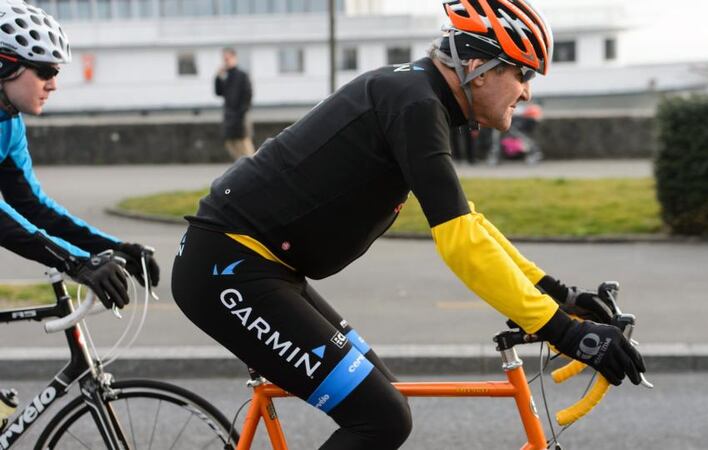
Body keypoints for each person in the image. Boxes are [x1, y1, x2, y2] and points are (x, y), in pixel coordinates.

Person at [172, 1, 645, 449]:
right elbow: (460, 244)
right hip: (228, 268)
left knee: (388, 399)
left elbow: (469, 222)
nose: (527, 91)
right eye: (521, 73)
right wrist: (563, 331)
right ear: (479, 69)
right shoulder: (416, 104)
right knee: (380, 417)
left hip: (265, 267)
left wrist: (560, 296)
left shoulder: (420, 98)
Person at [0, 0, 160, 314]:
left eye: (56, 72)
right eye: (45, 70)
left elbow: (32, 205)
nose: (54, 84)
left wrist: (112, 247)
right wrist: (77, 262)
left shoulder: (9, 123)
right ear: (4, 65)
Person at [215, 47, 254, 160]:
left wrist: (241, 114)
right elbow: (218, 92)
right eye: (224, 59)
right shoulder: (226, 76)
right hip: (229, 117)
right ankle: (242, 173)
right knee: (231, 146)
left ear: (234, 58)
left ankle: (253, 174)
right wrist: (218, 77)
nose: (225, 61)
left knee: (246, 149)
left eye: (228, 58)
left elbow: (248, 96)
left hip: (240, 118)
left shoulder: (242, 75)